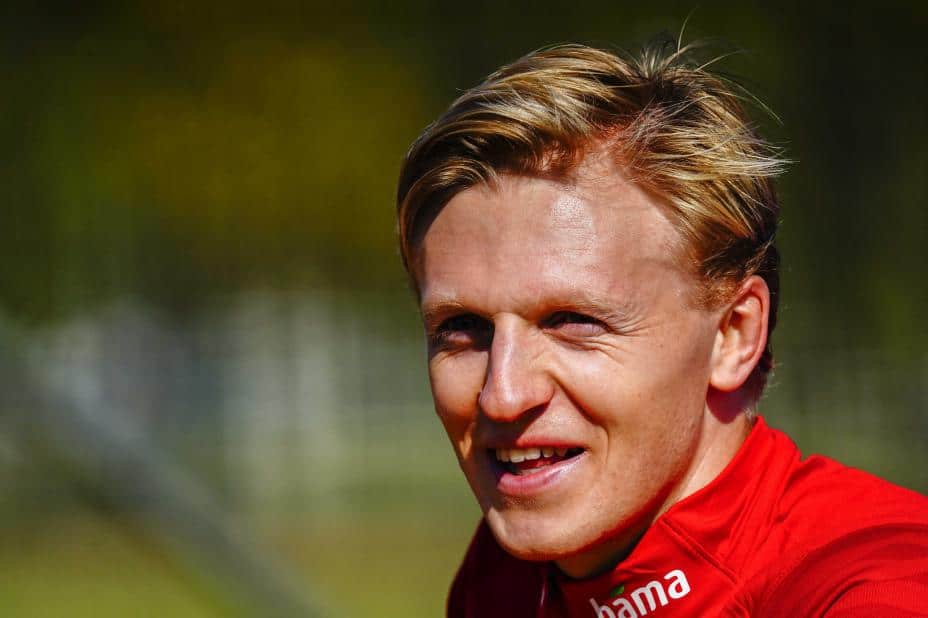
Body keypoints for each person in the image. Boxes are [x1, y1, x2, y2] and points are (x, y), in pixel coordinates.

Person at [395, 37, 928, 617]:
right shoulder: (503, 584)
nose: (503, 395)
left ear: (733, 336)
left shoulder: (874, 590)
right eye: (463, 327)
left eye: (573, 321)